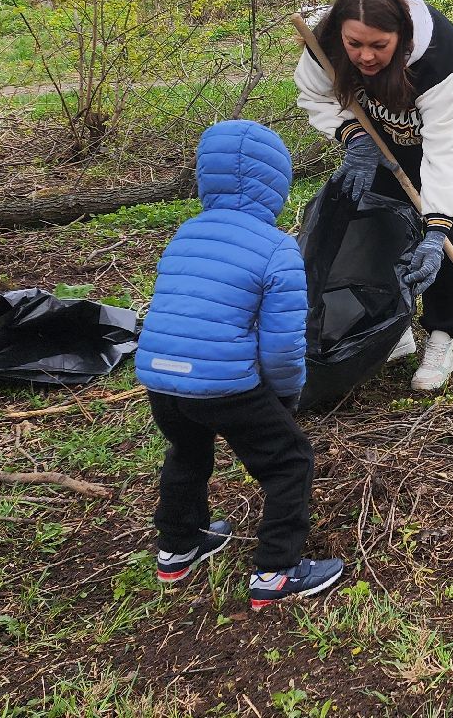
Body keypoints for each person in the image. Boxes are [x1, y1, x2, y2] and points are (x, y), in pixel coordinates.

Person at [135, 120, 346, 611]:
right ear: (278, 184)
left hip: (161, 381)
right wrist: (286, 395)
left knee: (186, 453)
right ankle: (276, 570)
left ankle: (177, 546)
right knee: (288, 461)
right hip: (226, 386)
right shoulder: (277, 248)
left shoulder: (185, 233)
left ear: (205, 177)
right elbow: (281, 345)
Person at [295, 0, 453, 392]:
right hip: (382, 127)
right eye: (355, 45)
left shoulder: (435, 59)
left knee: (448, 232)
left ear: (401, 36)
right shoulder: (326, 43)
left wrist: (436, 226)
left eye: (378, 46)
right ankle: (392, 325)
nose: (364, 56)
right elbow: (315, 95)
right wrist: (353, 137)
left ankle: (442, 334)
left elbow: (445, 152)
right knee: (380, 220)